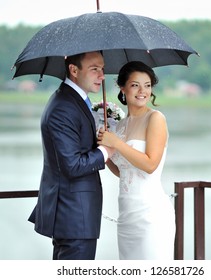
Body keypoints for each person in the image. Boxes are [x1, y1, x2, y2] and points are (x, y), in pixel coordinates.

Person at [28, 51, 113, 260]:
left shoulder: (73, 100)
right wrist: (106, 151)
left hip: (76, 215)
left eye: (102, 68)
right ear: (73, 70)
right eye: (94, 69)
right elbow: (72, 165)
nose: (102, 75)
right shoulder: (63, 107)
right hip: (73, 216)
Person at [97, 61, 175, 260]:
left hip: (151, 215)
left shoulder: (155, 118)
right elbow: (123, 171)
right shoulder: (120, 125)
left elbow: (150, 165)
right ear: (122, 88)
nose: (142, 91)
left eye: (147, 85)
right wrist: (103, 151)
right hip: (126, 216)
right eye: (135, 85)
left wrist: (117, 143)